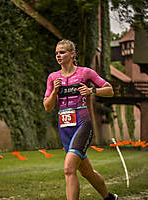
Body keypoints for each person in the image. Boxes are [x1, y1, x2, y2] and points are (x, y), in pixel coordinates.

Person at [43, 39, 118, 200]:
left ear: (72, 54)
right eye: (56, 53)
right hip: (65, 129)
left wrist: (92, 90)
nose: (58, 55)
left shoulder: (85, 73)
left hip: (83, 125)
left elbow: (110, 90)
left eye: (62, 52)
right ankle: (109, 197)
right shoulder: (53, 77)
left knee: (69, 169)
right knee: (86, 172)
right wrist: (55, 92)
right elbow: (47, 106)